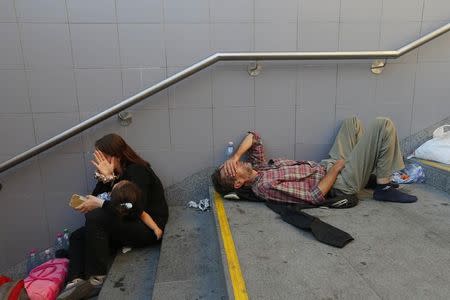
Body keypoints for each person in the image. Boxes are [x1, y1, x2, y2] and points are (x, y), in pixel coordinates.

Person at [211, 116, 417, 205]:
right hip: (339, 182)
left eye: (232, 163)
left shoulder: (259, 168)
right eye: (232, 168)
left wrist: (235, 156)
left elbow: (254, 136)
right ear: (238, 183)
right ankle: (383, 187)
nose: (236, 164)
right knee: (383, 124)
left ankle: (368, 169)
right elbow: (313, 195)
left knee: (352, 123)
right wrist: (336, 170)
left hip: (327, 165)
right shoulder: (264, 186)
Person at [59, 134, 169, 299]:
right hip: (126, 222)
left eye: (101, 157)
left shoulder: (137, 170)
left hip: (148, 227)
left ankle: (97, 278)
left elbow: (133, 208)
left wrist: (100, 203)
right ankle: (75, 281)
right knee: (77, 237)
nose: (98, 162)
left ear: (115, 156)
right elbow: (96, 196)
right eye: (97, 157)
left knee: (95, 217)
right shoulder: (115, 174)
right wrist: (106, 179)